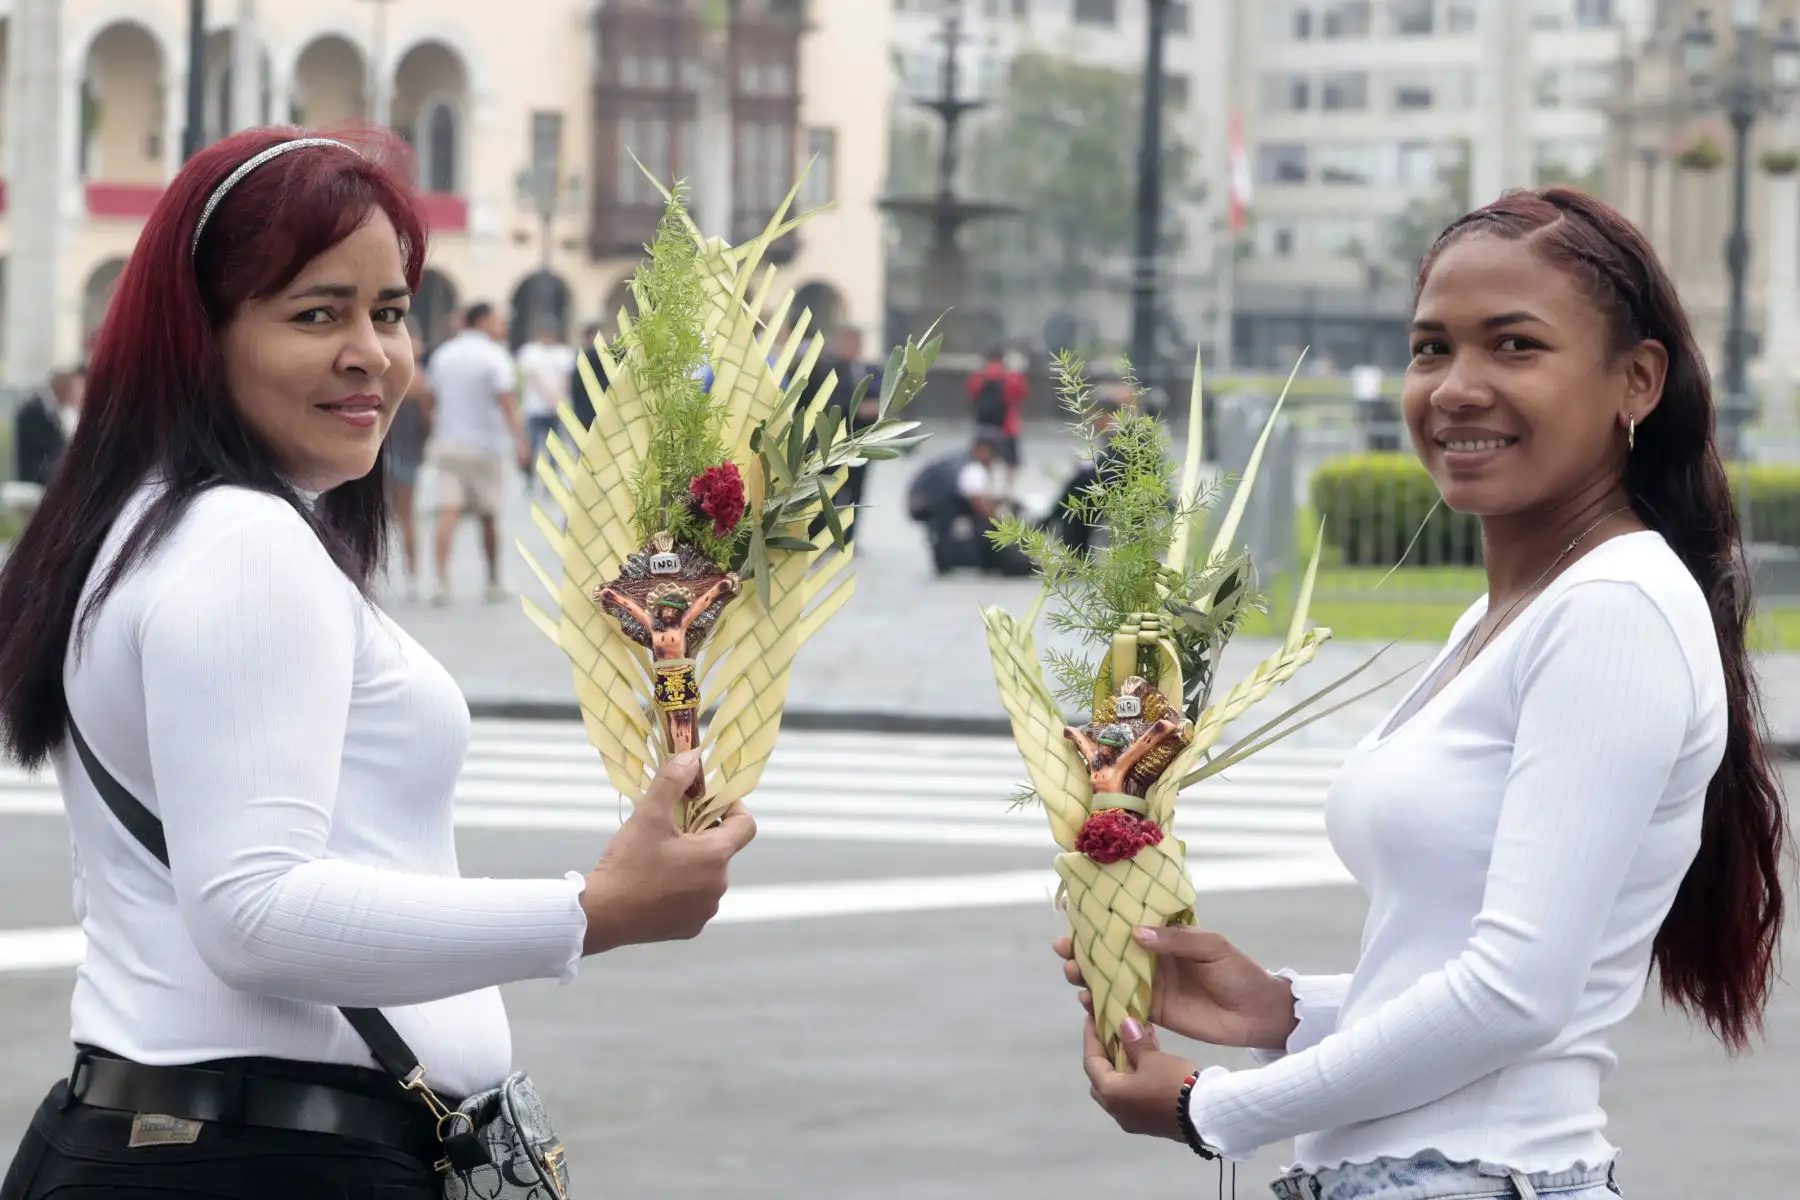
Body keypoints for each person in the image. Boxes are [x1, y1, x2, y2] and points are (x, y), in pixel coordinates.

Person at [0, 126, 756, 1200]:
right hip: (264, 1160)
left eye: (391, 312)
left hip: (188, 1137)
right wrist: (593, 909)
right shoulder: (241, 542)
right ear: (199, 337)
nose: (373, 354)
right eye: (318, 314)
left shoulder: (139, 524)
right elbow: (254, 916)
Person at [1061, 188, 1787, 1198]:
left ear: (1637, 380)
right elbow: (1467, 970)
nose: (1455, 387)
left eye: (1515, 346)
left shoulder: (1615, 611)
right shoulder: (1512, 615)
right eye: (1432, 347)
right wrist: (1281, 1008)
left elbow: (1516, 1000)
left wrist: (1213, 1110)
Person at [425, 301, 528, 605]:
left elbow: (431, 400)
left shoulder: (444, 354)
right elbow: (507, 403)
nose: (502, 327)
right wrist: (521, 441)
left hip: (448, 444)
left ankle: (441, 583)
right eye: (498, 321)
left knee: (447, 511)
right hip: (486, 447)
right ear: (482, 321)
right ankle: (493, 580)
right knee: (489, 515)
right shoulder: (495, 356)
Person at [807, 325, 882, 544]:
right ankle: (821, 537)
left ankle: (849, 538)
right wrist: (857, 408)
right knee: (827, 490)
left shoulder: (870, 370)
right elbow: (827, 402)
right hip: (830, 442)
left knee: (856, 490)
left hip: (859, 441)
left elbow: (882, 395)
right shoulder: (826, 370)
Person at [385, 321, 433, 599]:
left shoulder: (385, 374)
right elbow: (428, 422)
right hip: (408, 453)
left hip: (385, 452)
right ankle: (412, 576)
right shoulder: (420, 379)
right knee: (407, 517)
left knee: (378, 516)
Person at [515, 317, 576, 494]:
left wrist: (557, 400)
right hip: (535, 408)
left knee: (554, 447)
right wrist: (552, 398)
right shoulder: (530, 352)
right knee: (533, 445)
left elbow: (566, 378)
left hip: (556, 409)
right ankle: (529, 477)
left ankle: (550, 481)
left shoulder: (563, 353)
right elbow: (535, 378)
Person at [965, 347, 1027, 491]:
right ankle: (1007, 490)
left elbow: (971, 395)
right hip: (1007, 427)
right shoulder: (1010, 376)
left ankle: (986, 488)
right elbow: (1021, 393)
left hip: (984, 427)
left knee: (982, 460)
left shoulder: (978, 376)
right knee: (1011, 462)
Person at [14, 367, 85, 487]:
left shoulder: (61, 412)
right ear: (64, 388)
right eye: (77, 388)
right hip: (36, 481)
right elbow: (52, 449)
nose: (81, 394)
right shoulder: (33, 413)